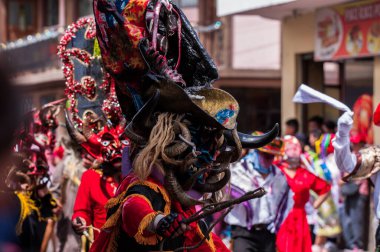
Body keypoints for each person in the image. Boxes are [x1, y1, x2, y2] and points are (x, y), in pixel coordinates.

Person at [87, 0, 280, 251]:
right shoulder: (145, 189)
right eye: (202, 145)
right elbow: (133, 210)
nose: (209, 160)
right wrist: (159, 222)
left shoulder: (181, 206)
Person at [225, 134, 290, 252]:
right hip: (243, 233)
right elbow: (225, 195)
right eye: (265, 155)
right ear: (255, 152)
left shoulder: (279, 176)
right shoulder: (238, 171)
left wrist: (276, 223)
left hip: (268, 233)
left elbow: (286, 202)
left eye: (272, 156)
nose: (269, 159)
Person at [276, 135, 331, 252]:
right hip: (279, 219)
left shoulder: (304, 173)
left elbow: (325, 188)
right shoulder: (276, 170)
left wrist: (313, 207)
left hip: (300, 219)